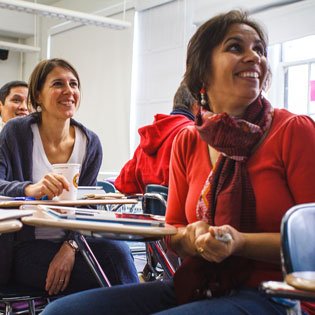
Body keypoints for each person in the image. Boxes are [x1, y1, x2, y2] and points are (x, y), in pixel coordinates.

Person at [41, 10, 315, 315]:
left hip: (279, 295)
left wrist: (240, 243)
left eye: (260, 49)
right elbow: (175, 235)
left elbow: (312, 243)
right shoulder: (188, 141)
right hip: (200, 285)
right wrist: (192, 238)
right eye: (236, 47)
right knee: (60, 312)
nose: (254, 57)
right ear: (203, 74)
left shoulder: (293, 131)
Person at [0, 58, 139, 296]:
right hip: (24, 246)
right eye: (57, 84)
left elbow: (84, 205)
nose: (69, 91)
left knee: (119, 253)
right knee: (101, 280)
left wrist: (70, 246)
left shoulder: (90, 142)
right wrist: (30, 189)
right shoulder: (16, 132)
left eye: (73, 84)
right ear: (38, 96)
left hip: (74, 242)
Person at [114, 83, 197, 195]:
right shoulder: (193, 134)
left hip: (150, 211)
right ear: (197, 105)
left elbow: (123, 183)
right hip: (182, 211)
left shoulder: (150, 135)